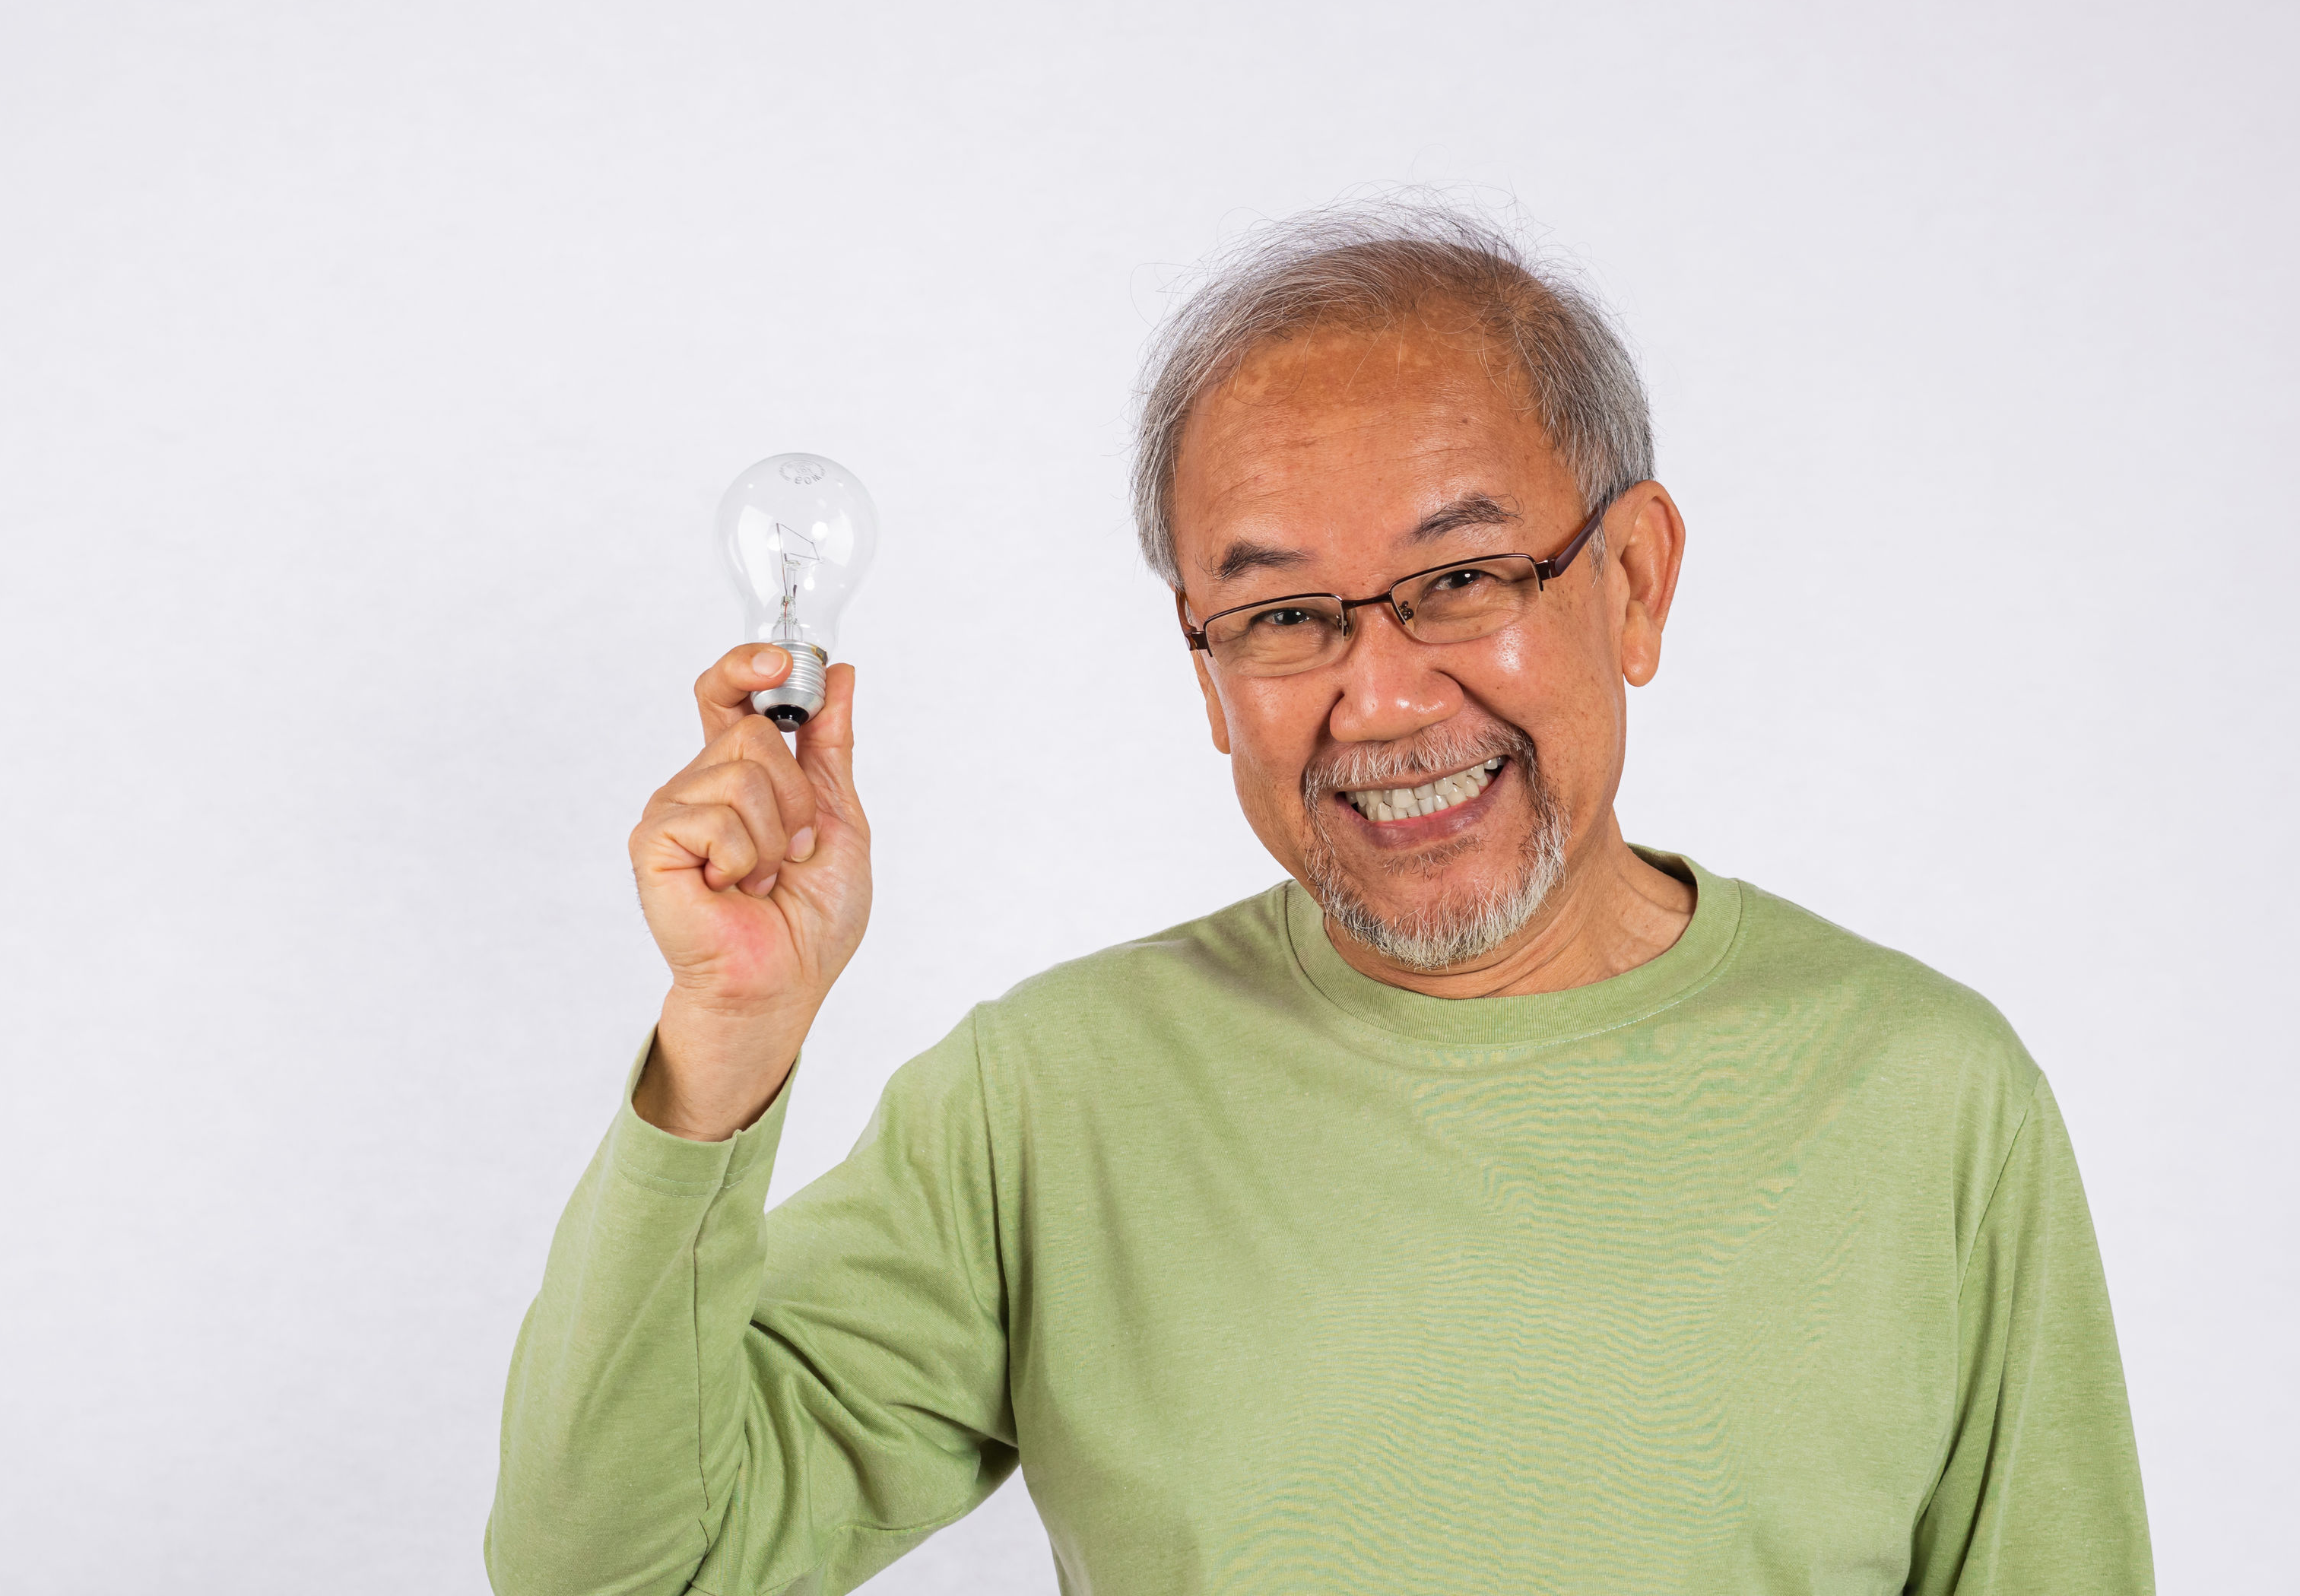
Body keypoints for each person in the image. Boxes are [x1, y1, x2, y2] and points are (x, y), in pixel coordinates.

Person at [484, 202, 2152, 1594]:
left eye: (1458, 580)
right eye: (1283, 617)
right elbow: (621, 1569)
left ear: (1633, 582)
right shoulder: (1054, 1101)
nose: (1382, 698)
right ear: (1207, 678)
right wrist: (728, 1035)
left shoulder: (1927, 1099)